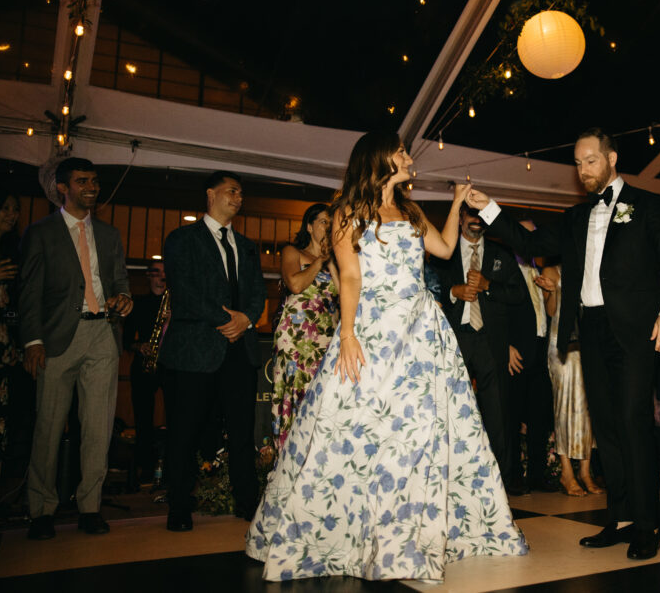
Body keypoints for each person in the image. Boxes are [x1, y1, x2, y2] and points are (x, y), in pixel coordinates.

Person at [247, 131, 526, 582]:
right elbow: (351, 277)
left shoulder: (412, 211)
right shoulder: (347, 214)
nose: (406, 156)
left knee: (419, 431)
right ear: (380, 159)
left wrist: (456, 204)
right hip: (374, 329)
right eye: (399, 151)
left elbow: (444, 250)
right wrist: (350, 334)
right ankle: (351, 533)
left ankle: (410, 535)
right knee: (356, 427)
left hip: (421, 332)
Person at [466, 128, 660, 561]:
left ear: (612, 159)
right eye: (577, 163)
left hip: (636, 329)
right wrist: (489, 208)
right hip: (591, 330)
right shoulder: (575, 218)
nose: (582, 170)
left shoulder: (647, 206)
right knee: (605, 427)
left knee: (633, 422)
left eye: (589, 160)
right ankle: (621, 519)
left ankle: (647, 524)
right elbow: (529, 243)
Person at [20, 158, 132, 540]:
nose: (92, 187)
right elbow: (29, 292)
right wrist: (32, 341)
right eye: (82, 181)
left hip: (102, 334)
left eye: (95, 181)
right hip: (56, 339)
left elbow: (119, 282)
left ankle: (90, 507)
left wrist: (124, 299)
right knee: (48, 427)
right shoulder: (41, 233)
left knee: (98, 428)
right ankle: (40, 510)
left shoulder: (109, 233)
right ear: (63, 188)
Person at [159, 171, 267, 532]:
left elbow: (258, 294)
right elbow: (184, 291)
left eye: (241, 193)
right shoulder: (182, 239)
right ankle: (179, 505)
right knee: (185, 429)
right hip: (196, 349)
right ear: (210, 194)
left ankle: (247, 502)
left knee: (241, 431)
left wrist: (247, 319)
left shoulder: (248, 245)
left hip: (240, 349)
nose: (238, 198)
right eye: (232, 191)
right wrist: (228, 319)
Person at [431, 203, 527, 494]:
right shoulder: (442, 253)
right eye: (470, 214)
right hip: (454, 339)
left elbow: (519, 296)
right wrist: (453, 292)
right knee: (448, 410)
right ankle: (447, 481)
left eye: (480, 215)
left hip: (490, 339)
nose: (476, 220)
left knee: (498, 412)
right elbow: (428, 290)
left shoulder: (500, 254)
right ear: (459, 218)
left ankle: (500, 480)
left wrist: (488, 286)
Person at [271, 203, 340, 450]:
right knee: (296, 394)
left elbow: (343, 294)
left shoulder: (335, 261)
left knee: (323, 400)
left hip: (327, 338)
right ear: (309, 226)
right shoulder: (293, 251)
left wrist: (331, 261)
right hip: (296, 336)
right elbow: (296, 285)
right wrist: (319, 261)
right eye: (323, 222)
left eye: (332, 224)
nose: (328, 227)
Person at [537, 264, 602, 496]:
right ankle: (567, 473)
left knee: (589, 407)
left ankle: (585, 472)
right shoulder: (551, 271)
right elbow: (552, 312)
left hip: (589, 343)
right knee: (564, 408)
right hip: (562, 345)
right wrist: (553, 291)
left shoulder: (589, 267)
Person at [507, 220, 557, 493]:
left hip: (540, 350)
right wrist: (506, 346)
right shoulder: (504, 270)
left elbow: (548, 315)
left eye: (533, 235)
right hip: (516, 351)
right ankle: (513, 475)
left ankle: (537, 475)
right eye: (523, 233)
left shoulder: (540, 271)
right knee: (513, 417)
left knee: (539, 416)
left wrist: (551, 291)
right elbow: (497, 313)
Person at [0, 190, 31, 512]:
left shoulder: (12, 250)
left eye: (15, 209)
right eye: (5, 208)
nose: (11, 214)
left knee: (0, 427)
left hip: (4, 347)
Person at [122, 259, 168, 484]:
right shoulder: (137, 303)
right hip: (144, 365)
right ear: (149, 275)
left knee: (177, 417)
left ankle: (171, 467)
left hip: (169, 365)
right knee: (142, 420)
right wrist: (140, 346)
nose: (161, 277)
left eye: (165, 273)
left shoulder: (173, 304)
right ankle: (146, 469)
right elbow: (126, 340)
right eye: (157, 272)